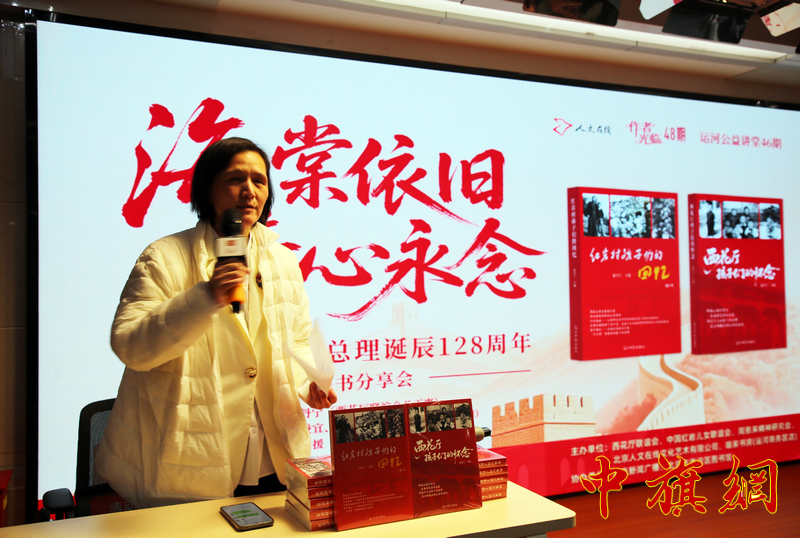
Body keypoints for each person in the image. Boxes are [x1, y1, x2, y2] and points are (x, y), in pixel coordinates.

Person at [96, 137, 337, 509]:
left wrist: (309, 385)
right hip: (192, 459)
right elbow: (131, 347)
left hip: (273, 454)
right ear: (208, 189)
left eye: (259, 180)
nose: (249, 190)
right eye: (235, 179)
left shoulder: (283, 260)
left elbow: (296, 340)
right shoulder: (164, 256)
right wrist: (205, 297)